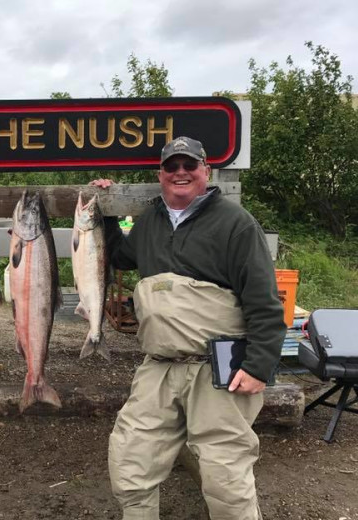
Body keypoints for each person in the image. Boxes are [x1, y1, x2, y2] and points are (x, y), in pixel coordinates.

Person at [93, 136, 285, 520]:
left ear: (205, 171)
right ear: (160, 174)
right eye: (171, 166)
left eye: (189, 165)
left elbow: (264, 301)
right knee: (131, 461)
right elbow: (118, 256)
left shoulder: (236, 223)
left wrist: (259, 366)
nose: (180, 173)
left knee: (225, 476)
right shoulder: (150, 221)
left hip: (219, 370)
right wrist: (107, 213)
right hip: (158, 367)